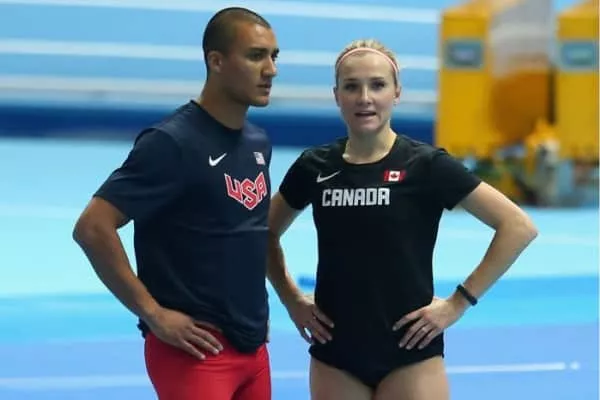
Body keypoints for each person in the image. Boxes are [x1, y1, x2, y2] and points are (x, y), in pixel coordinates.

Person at [266, 39, 538, 400]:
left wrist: (458, 303)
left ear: (397, 92)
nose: (365, 98)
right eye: (352, 86)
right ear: (337, 96)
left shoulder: (426, 165)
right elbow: (262, 232)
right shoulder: (314, 167)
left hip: (411, 354)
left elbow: (518, 227)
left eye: (377, 85)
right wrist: (291, 299)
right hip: (335, 354)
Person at [72, 7, 279, 400]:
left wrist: (257, 311)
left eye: (273, 56)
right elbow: (92, 227)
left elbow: (247, 233)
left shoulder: (257, 143)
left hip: (252, 349)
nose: (271, 69)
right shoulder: (171, 143)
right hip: (195, 354)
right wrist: (153, 313)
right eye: (256, 56)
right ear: (216, 61)